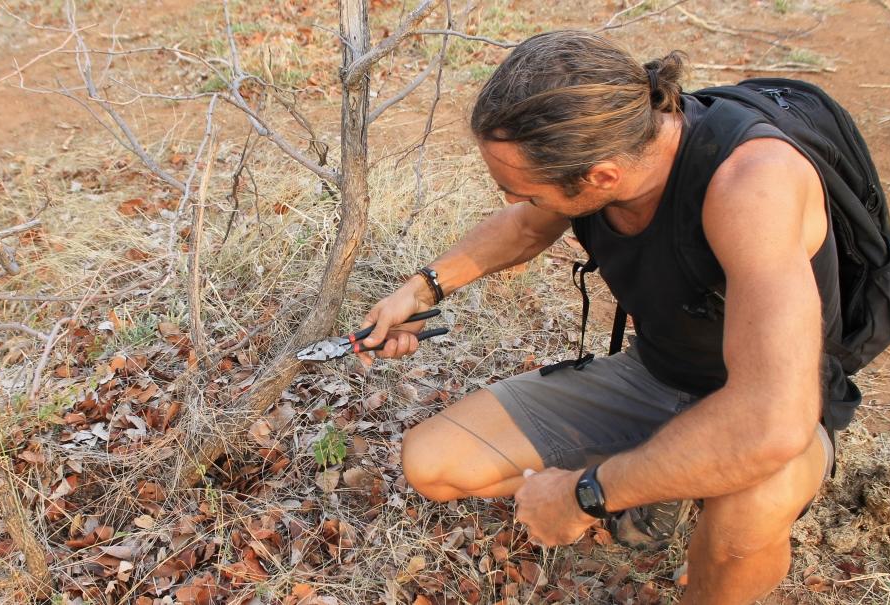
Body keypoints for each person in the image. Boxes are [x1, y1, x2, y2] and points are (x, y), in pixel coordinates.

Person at [357, 31, 840, 604]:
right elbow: (526, 224)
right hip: (657, 375)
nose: (509, 198)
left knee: (745, 519)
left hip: (773, 401)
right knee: (432, 462)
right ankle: (661, 475)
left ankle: (669, 495)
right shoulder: (612, 149)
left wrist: (585, 495)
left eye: (521, 189)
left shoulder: (752, 186)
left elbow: (771, 421)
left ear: (603, 178)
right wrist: (422, 289)